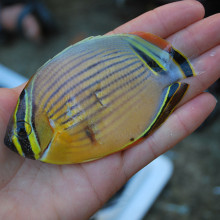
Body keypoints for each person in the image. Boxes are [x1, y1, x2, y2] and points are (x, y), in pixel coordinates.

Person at [0, 1, 219, 219]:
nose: (19, 140)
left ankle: (169, 74)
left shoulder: (50, 135)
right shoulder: (48, 143)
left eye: (23, 132)